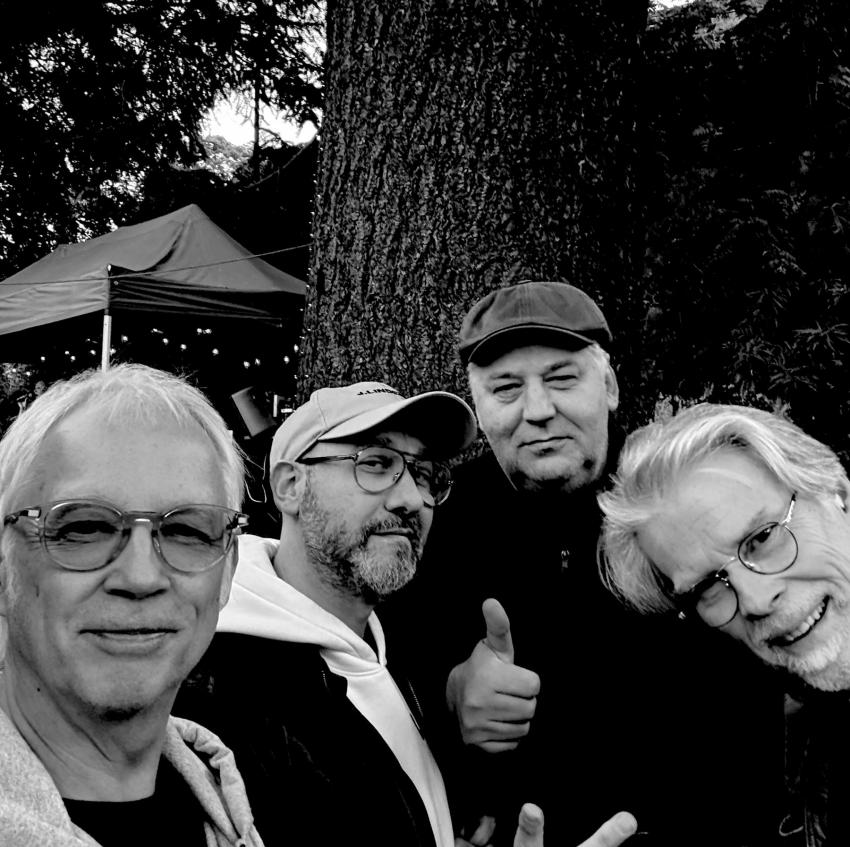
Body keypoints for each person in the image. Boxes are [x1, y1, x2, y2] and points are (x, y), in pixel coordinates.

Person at [381, 281, 787, 847]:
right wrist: (449, 696)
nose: (538, 411)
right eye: (506, 388)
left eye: (562, 379)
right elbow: (384, 674)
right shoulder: (437, 520)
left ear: (610, 387)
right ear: (479, 407)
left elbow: (763, 677)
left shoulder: (682, 500)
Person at [176, 381, 636, 847]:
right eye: (375, 464)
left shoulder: (391, 650)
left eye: (424, 475)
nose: (412, 499)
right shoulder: (217, 698)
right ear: (290, 486)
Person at [0, 364, 263, 847]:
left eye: (186, 530)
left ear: (227, 570)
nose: (141, 577)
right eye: (83, 527)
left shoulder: (269, 792)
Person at [599, 402, 850, 847]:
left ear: (837, 493)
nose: (754, 600)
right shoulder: (800, 739)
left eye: (763, 537)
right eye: (708, 587)